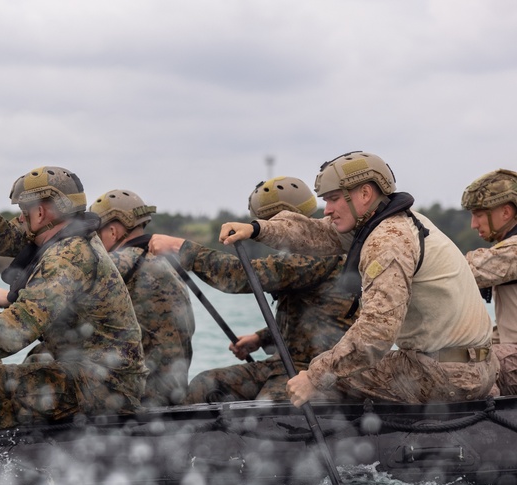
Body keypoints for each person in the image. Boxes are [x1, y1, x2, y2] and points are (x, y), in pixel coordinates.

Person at [220, 151, 496, 406]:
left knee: (320, 383)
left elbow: (375, 334)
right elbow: (317, 234)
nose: (326, 209)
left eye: (333, 199)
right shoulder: (394, 222)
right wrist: (256, 229)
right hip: (459, 366)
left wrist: (314, 377)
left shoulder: (388, 242)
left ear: (364, 193)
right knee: (333, 370)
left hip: (445, 375)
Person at [0, 166, 146, 449]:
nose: (20, 217)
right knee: (34, 362)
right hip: (90, 372)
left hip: (107, 385)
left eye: (24, 209)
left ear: (42, 212)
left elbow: (17, 328)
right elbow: (3, 235)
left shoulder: (69, 256)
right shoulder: (63, 236)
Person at [150, 176, 356, 402]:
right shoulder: (300, 256)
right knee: (205, 385)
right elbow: (311, 317)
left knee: (266, 411)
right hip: (283, 363)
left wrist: (181, 248)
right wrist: (261, 338)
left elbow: (245, 276)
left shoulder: (317, 254)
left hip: (316, 371)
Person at [91, 189, 194, 406]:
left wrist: (12, 297)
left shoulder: (119, 261)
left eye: (96, 235)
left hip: (145, 392)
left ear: (111, 231)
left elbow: (67, 294)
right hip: (174, 386)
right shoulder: (164, 262)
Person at [462, 169, 517, 395]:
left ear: (505, 212)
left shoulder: (512, 251)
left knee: (455, 371)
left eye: (479, 214)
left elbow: (462, 271)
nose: (474, 224)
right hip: (510, 354)